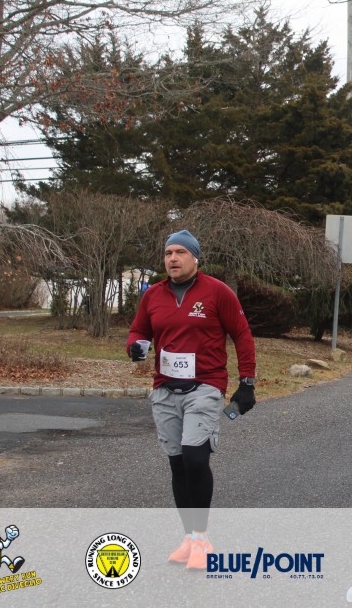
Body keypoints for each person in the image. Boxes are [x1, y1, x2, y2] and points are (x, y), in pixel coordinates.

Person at [127, 230, 257, 570]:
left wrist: (247, 382)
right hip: (164, 389)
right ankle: (189, 538)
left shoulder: (218, 292)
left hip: (205, 386)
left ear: (195, 257)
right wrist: (135, 346)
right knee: (178, 464)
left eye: (180, 252)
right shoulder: (153, 295)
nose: (172, 258)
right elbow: (138, 331)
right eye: (168, 252)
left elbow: (242, 334)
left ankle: (202, 538)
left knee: (195, 459)